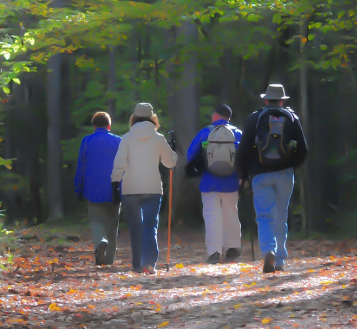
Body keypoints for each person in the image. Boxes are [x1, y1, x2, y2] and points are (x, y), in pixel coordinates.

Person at [235, 84, 308, 273]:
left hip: (260, 174)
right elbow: (303, 149)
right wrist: (292, 165)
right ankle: (281, 261)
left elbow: (243, 150)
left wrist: (243, 175)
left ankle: (269, 250)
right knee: (281, 216)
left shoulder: (254, 118)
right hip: (285, 174)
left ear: (265, 100)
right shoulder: (292, 118)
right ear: (282, 100)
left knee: (264, 216)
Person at [111, 103, 178, 274]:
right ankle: (148, 263)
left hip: (130, 188)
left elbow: (119, 163)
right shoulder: (159, 138)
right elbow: (169, 163)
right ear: (152, 118)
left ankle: (136, 264)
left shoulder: (126, 138)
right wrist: (173, 151)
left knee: (135, 227)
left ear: (134, 117)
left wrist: (115, 182)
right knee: (150, 226)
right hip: (153, 188)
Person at [186, 104, 243, 264]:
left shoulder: (206, 132)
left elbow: (191, 155)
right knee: (231, 213)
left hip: (209, 182)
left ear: (215, 115)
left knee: (212, 216)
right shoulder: (237, 133)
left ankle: (214, 252)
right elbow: (246, 156)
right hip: (231, 181)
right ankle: (232, 247)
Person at [74, 112, 122, 266]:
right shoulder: (118, 141)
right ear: (109, 125)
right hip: (114, 189)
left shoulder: (87, 141)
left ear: (94, 126)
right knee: (113, 225)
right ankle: (109, 260)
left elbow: (81, 167)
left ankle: (100, 242)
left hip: (92, 190)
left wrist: (78, 189)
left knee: (96, 221)